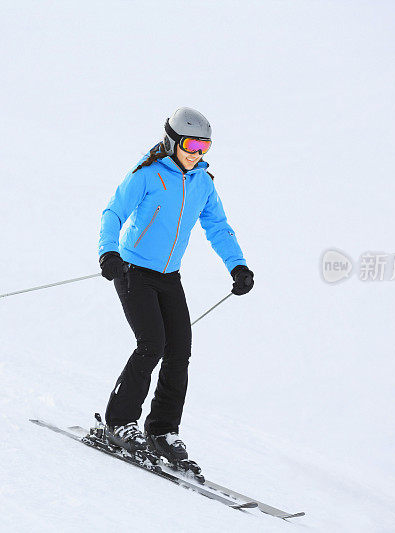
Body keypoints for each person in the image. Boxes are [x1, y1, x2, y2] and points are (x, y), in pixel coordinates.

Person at [97, 107, 254, 464]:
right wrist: (108, 252)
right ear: (172, 141)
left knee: (179, 351)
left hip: (169, 278)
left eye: (205, 146)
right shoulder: (147, 174)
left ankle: (162, 431)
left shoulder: (203, 182)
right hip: (132, 270)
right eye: (191, 144)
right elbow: (113, 212)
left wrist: (238, 265)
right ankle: (119, 422)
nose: (198, 153)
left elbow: (217, 226)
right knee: (151, 345)